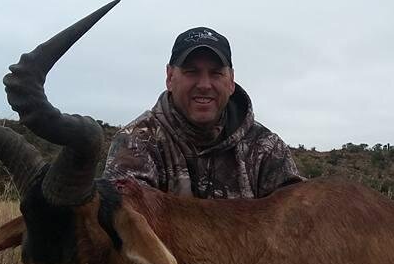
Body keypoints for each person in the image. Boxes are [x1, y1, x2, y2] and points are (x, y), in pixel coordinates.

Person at [104, 26, 302, 198]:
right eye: (191, 72)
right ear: (170, 77)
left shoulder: (267, 148)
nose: (205, 85)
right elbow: (127, 223)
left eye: (216, 73)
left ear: (231, 80)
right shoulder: (136, 143)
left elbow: (299, 222)